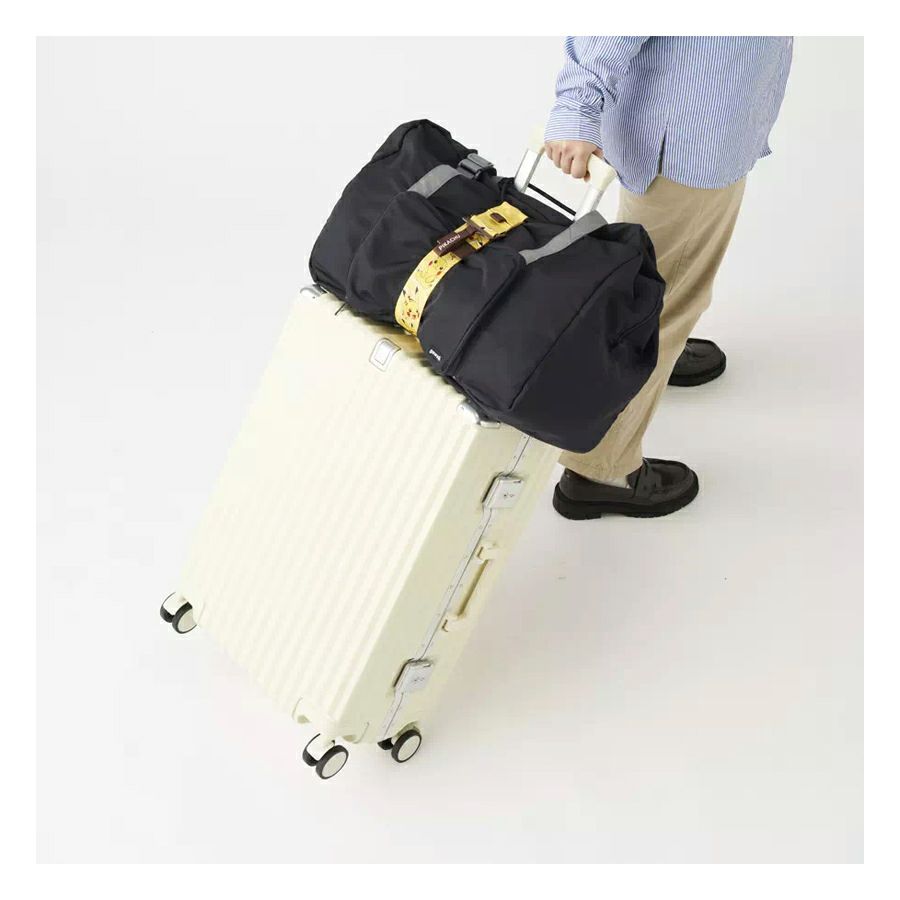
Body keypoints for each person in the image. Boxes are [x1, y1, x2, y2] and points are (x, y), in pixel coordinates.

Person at [544, 36, 792, 519]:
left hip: (706, 125)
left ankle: (656, 357)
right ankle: (600, 469)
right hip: (685, 139)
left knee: (653, 284)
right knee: (658, 304)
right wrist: (576, 108)